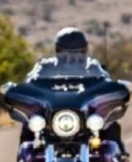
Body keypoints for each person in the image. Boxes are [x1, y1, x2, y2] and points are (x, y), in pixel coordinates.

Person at [21, 27, 126, 155]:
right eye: (65, 53)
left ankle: (119, 156)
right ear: (57, 50)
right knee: (29, 125)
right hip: (51, 115)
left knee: (110, 124)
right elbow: (30, 82)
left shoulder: (92, 66)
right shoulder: (45, 66)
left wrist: (114, 89)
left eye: (78, 53)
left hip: (85, 115)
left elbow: (106, 82)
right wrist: (22, 90)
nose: (71, 58)